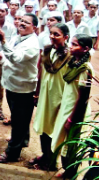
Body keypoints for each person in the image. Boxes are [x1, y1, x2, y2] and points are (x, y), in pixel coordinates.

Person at [0, 14, 40, 163]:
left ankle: (12, 153)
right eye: (21, 20)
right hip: (11, 84)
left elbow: (16, 58)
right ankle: (23, 140)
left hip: (23, 89)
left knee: (19, 121)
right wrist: (1, 57)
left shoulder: (32, 44)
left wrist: (3, 42)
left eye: (26, 23)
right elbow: (9, 55)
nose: (21, 24)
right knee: (19, 117)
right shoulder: (17, 36)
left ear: (34, 28)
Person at [51, 34, 93, 179]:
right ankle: (67, 172)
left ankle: (70, 173)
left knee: (71, 145)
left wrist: (71, 119)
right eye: (71, 43)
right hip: (67, 107)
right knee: (63, 142)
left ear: (86, 49)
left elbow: (82, 98)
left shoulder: (85, 68)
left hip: (75, 112)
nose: (71, 46)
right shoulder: (74, 63)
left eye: (75, 44)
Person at [32, 23, 71, 171]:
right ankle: (45, 155)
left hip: (58, 97)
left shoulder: (69, 55)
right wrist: (37, 92)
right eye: (51, 33)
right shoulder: (48, 51)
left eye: (57, 34)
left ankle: (52, 161)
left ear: (65, 37)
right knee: (43, 126)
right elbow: (41, 72)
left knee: (55, 130)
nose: (52, 37)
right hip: (45, 95)